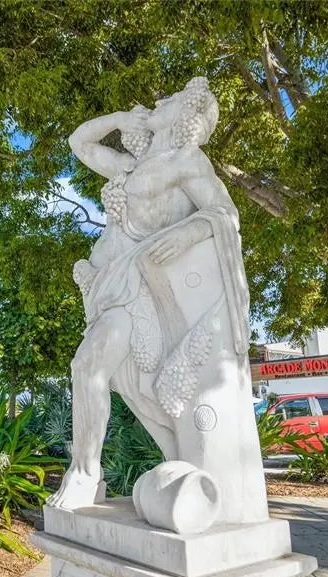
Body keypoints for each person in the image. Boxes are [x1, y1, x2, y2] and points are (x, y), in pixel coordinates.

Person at [48, 78, 267, 525]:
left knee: (89, 364)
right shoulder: (132, 165)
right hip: (109, 284)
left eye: (173, 99)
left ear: (186, 115)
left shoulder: (188, 162)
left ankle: (86, 474)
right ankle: (101, 471)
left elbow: (227, 214)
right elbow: (79, 142)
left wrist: (189, 231)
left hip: (141, 289)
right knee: (98, 371)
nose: (161, 99)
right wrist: (120, 119)